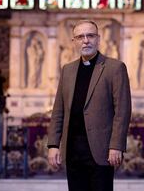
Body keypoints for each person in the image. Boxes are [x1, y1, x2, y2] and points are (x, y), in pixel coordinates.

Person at [48, 20, 132, 191]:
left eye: (90, 35)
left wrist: (116, 145)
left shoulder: (114, 68)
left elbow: (122, 111)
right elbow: (58, 111)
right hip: (73, 151)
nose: (85, 40)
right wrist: (53, 145)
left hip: (100, 150)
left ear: (98, 39)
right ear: (74, 42)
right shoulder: (67, 70)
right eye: (80, 37)